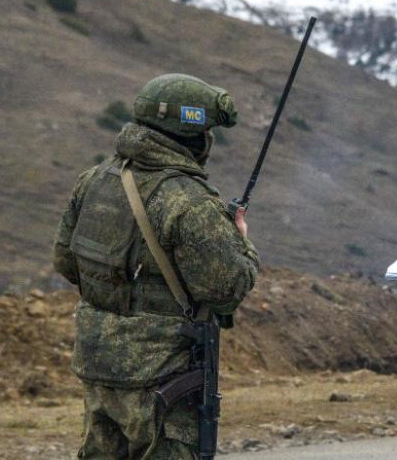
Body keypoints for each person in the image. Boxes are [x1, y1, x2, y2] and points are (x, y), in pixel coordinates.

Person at [53, 73, 260, 459]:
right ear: (196, 137)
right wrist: (240, 240)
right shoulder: (190, 202)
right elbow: (227, 288)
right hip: (163, 374)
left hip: (99, 365)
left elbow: (66, 262)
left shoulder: (94, 181)